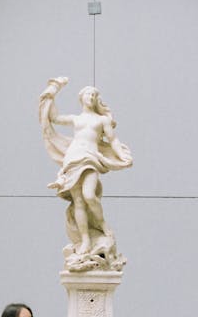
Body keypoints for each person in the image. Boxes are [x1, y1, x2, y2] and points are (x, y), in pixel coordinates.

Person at [39, 77, 132, 269]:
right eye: (87, 94)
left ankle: (102, 224)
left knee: (89, 195)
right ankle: (85, 240)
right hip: (73, 157)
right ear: (81, 98)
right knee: (78, 201)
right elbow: (54, 118)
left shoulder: (102, 119)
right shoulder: (76, 118)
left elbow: (113, 140)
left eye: (93, 95)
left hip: (91, 157)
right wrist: (53, 94)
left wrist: (122, 155)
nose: (90, 97)